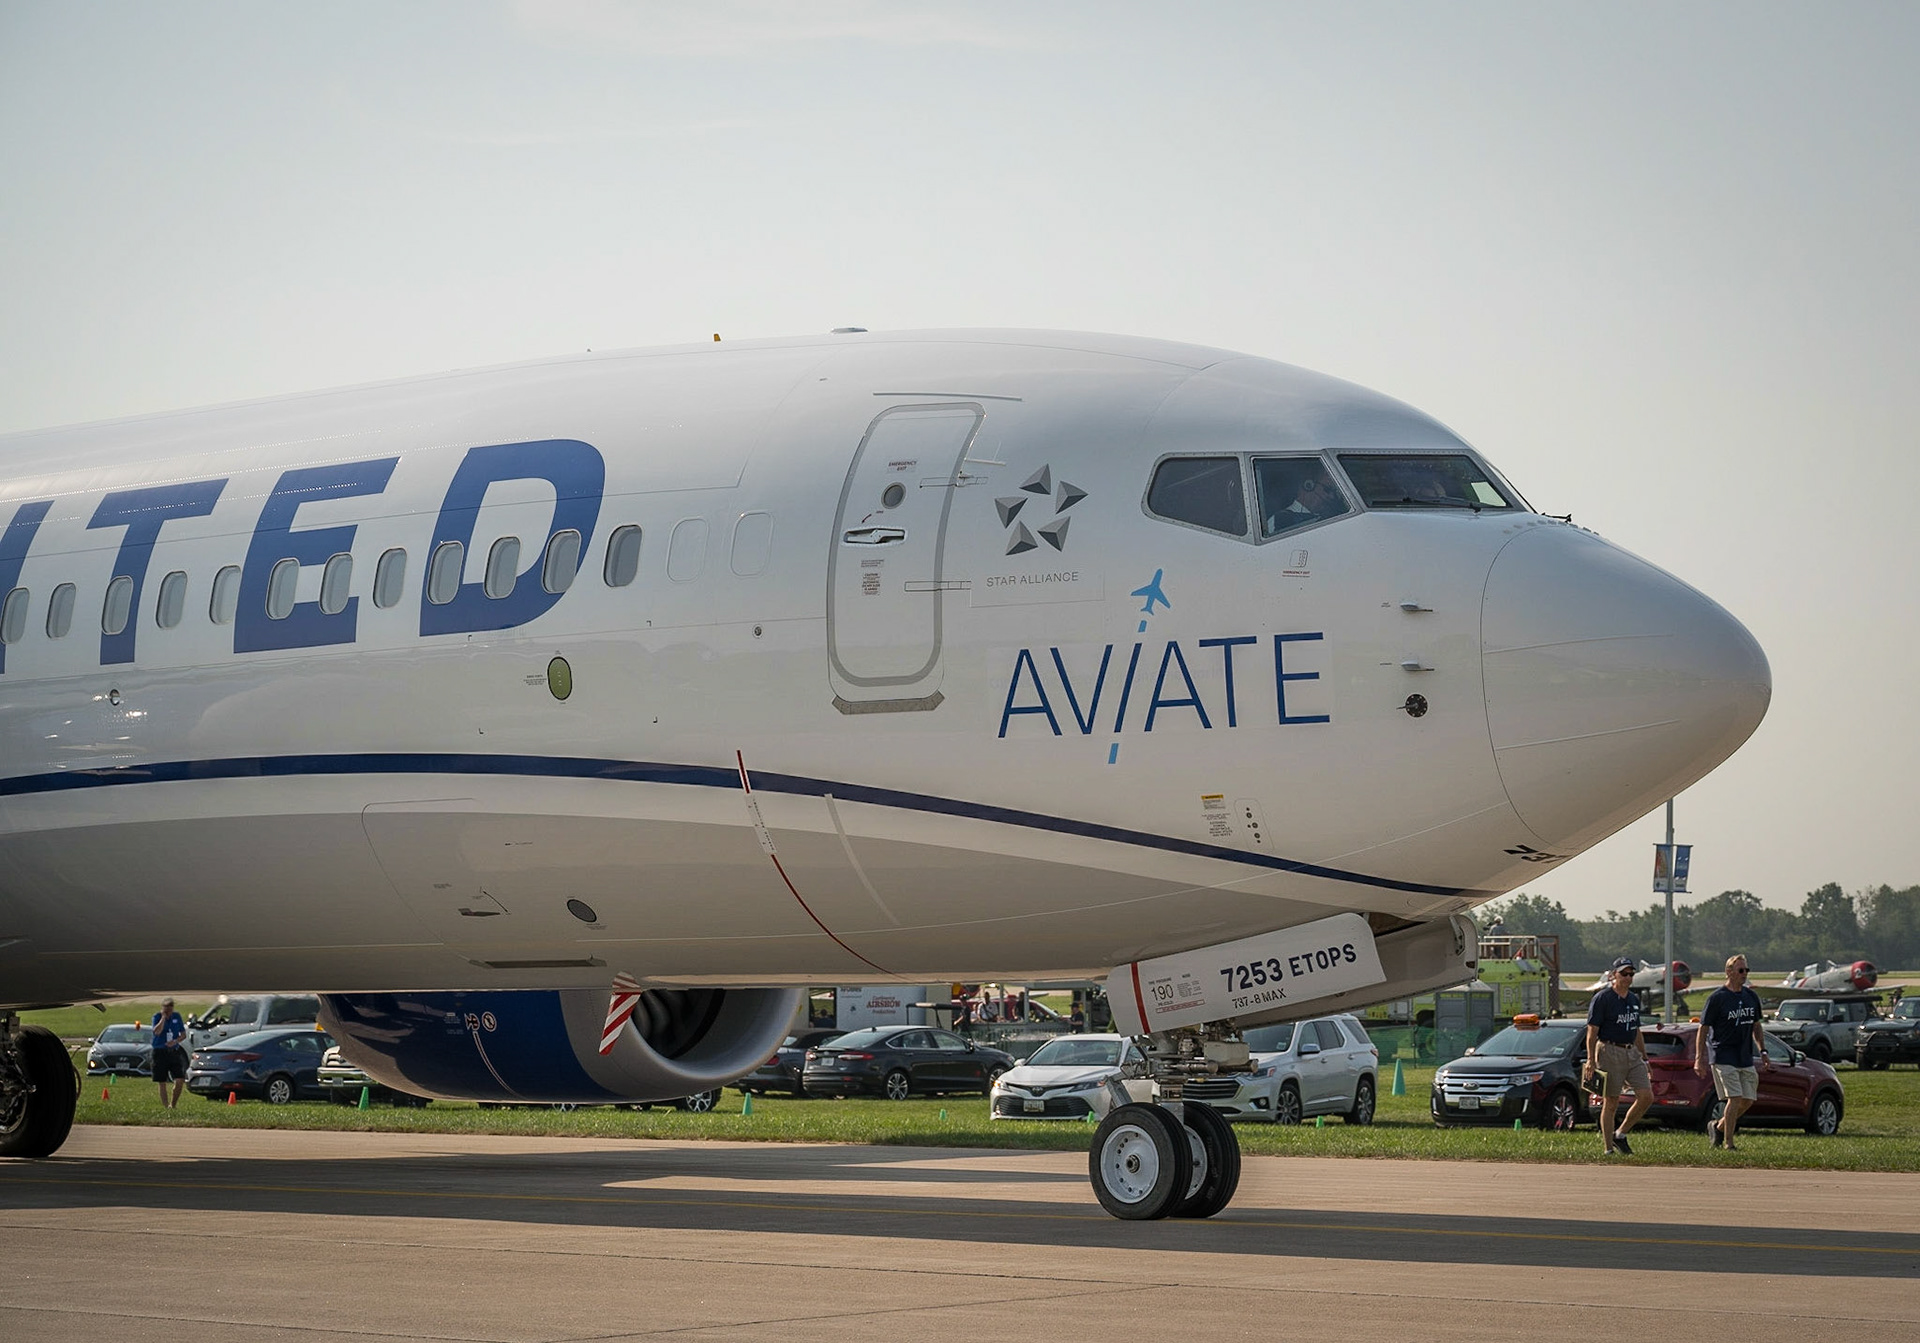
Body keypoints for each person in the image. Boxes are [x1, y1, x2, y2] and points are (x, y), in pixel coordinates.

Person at [1695, 954, 1768, 1151]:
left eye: (1746, 970)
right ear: (1729, 972)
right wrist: (1699, 1058)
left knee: (1748, 1100)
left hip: (1744, 1056)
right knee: (1734, 1098)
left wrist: (1763, 1050)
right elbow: (1703, 1029)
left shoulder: (1750, 996)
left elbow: (1757, 1026)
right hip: (1722, 1055)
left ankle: (1718, 1126)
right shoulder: (1717, 998)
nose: (1744, 974)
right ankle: (1729, 1143)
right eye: (1740, 970)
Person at [1584, 958, 1652, 1155]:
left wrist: (1645, 1058)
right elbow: (1592, 1032)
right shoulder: (1603, 998)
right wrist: (1590, 1059)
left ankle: (1620, 1134)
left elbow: (1636, 1029)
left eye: (1631, 974)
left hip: (1631, 1051)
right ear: (1613, 975)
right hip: (1609, 1050)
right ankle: (1607, 1148)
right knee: (1611, 1100)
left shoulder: (1632, 999)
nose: (1628, 977)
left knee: (1646, 1096)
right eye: (1624, 973)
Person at [150, 997, 187, 1108]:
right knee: (162, 1081)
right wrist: (163, 1018)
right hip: (160, 1051)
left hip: (173, 1051)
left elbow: (183, 1034)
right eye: (166, 1009)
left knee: (179, 1079)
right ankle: (166, 1106)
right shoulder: (157, 1017)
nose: (168, 1012)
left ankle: (173, 1104)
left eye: (170, 1009)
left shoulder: (177, 1017)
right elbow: (157, 1032)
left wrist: (175, 1041)